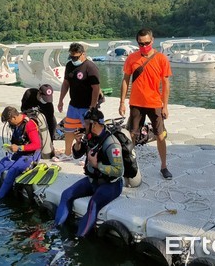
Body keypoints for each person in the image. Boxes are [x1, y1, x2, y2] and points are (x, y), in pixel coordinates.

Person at [54, 108, 124, 237]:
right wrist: (78, 143)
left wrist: (97, 165)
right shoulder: (91, 137)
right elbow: (77, 155)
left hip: (110, 185)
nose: (83, 125)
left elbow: (119, 171)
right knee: (66, 195)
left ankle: (79, 238)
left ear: (95, 124)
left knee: (93, 205)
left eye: (86, 123)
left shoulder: (111, 143)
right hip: (93, 180)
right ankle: (56, 230)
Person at [119, 28, 173, 179]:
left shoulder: (161, 58)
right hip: (136, 103)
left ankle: (164, 166)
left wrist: (165, 106)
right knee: (132, 134)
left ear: (152, 40)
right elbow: (125, 80)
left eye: (147, 43)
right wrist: (122, 102)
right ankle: (130, 165)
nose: (144, 46)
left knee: (160, 135)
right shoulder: (132, 58)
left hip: (155, 103)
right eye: (141, 44)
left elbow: (166, 84)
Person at [0, 106, 42, 200]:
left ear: (14, 117)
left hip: (30, 155)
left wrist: (20, 148)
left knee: (12, 171)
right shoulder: (15, 124)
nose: (9, 123)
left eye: (9, 121)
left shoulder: (29, 124)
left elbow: (37, 145)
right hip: (18, 153)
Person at [57, 43, 101, 160]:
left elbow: (96, 88)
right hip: (73, 104)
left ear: (83, 54)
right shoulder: (69, 65)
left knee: (88, 130)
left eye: (76, 57)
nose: (73, 59)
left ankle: (88, 154)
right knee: (69, 129)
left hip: (87, 105)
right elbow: (66, 83)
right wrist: (61, 100)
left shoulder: (90, 67)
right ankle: (67, 153)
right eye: (71, 57)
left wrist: (92, 106)